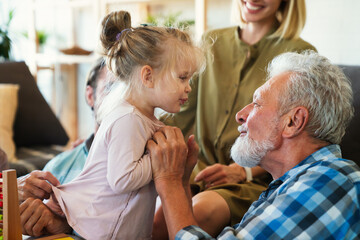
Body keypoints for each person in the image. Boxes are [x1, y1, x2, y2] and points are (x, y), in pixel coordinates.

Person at [21, 10, 204, 239]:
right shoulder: (128, 119)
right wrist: (161, 158)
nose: (188, 87)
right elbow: (122, 179)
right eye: (182, 77)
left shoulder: (142, 119)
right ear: (147, 76)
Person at [148, 51, 360, 239]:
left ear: (293, 122)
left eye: (257, 103)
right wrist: (183, 183)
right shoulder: (295, 185)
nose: (240, 116)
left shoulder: (330, 181)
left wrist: (170, 182)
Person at [153, 0, 316, 238]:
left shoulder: (300, 54)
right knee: (153, 216)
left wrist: (242, 171)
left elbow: (300, 139)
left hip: (249, 180)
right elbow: (180, 114)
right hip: (197, 170)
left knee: (199, 212)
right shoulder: (211, 41)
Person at [17, 57, 108, 202]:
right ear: (90, 96)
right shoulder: (57, 168)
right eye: (110, 88)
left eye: (128, 92)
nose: (120, 101)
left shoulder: (150, 161)